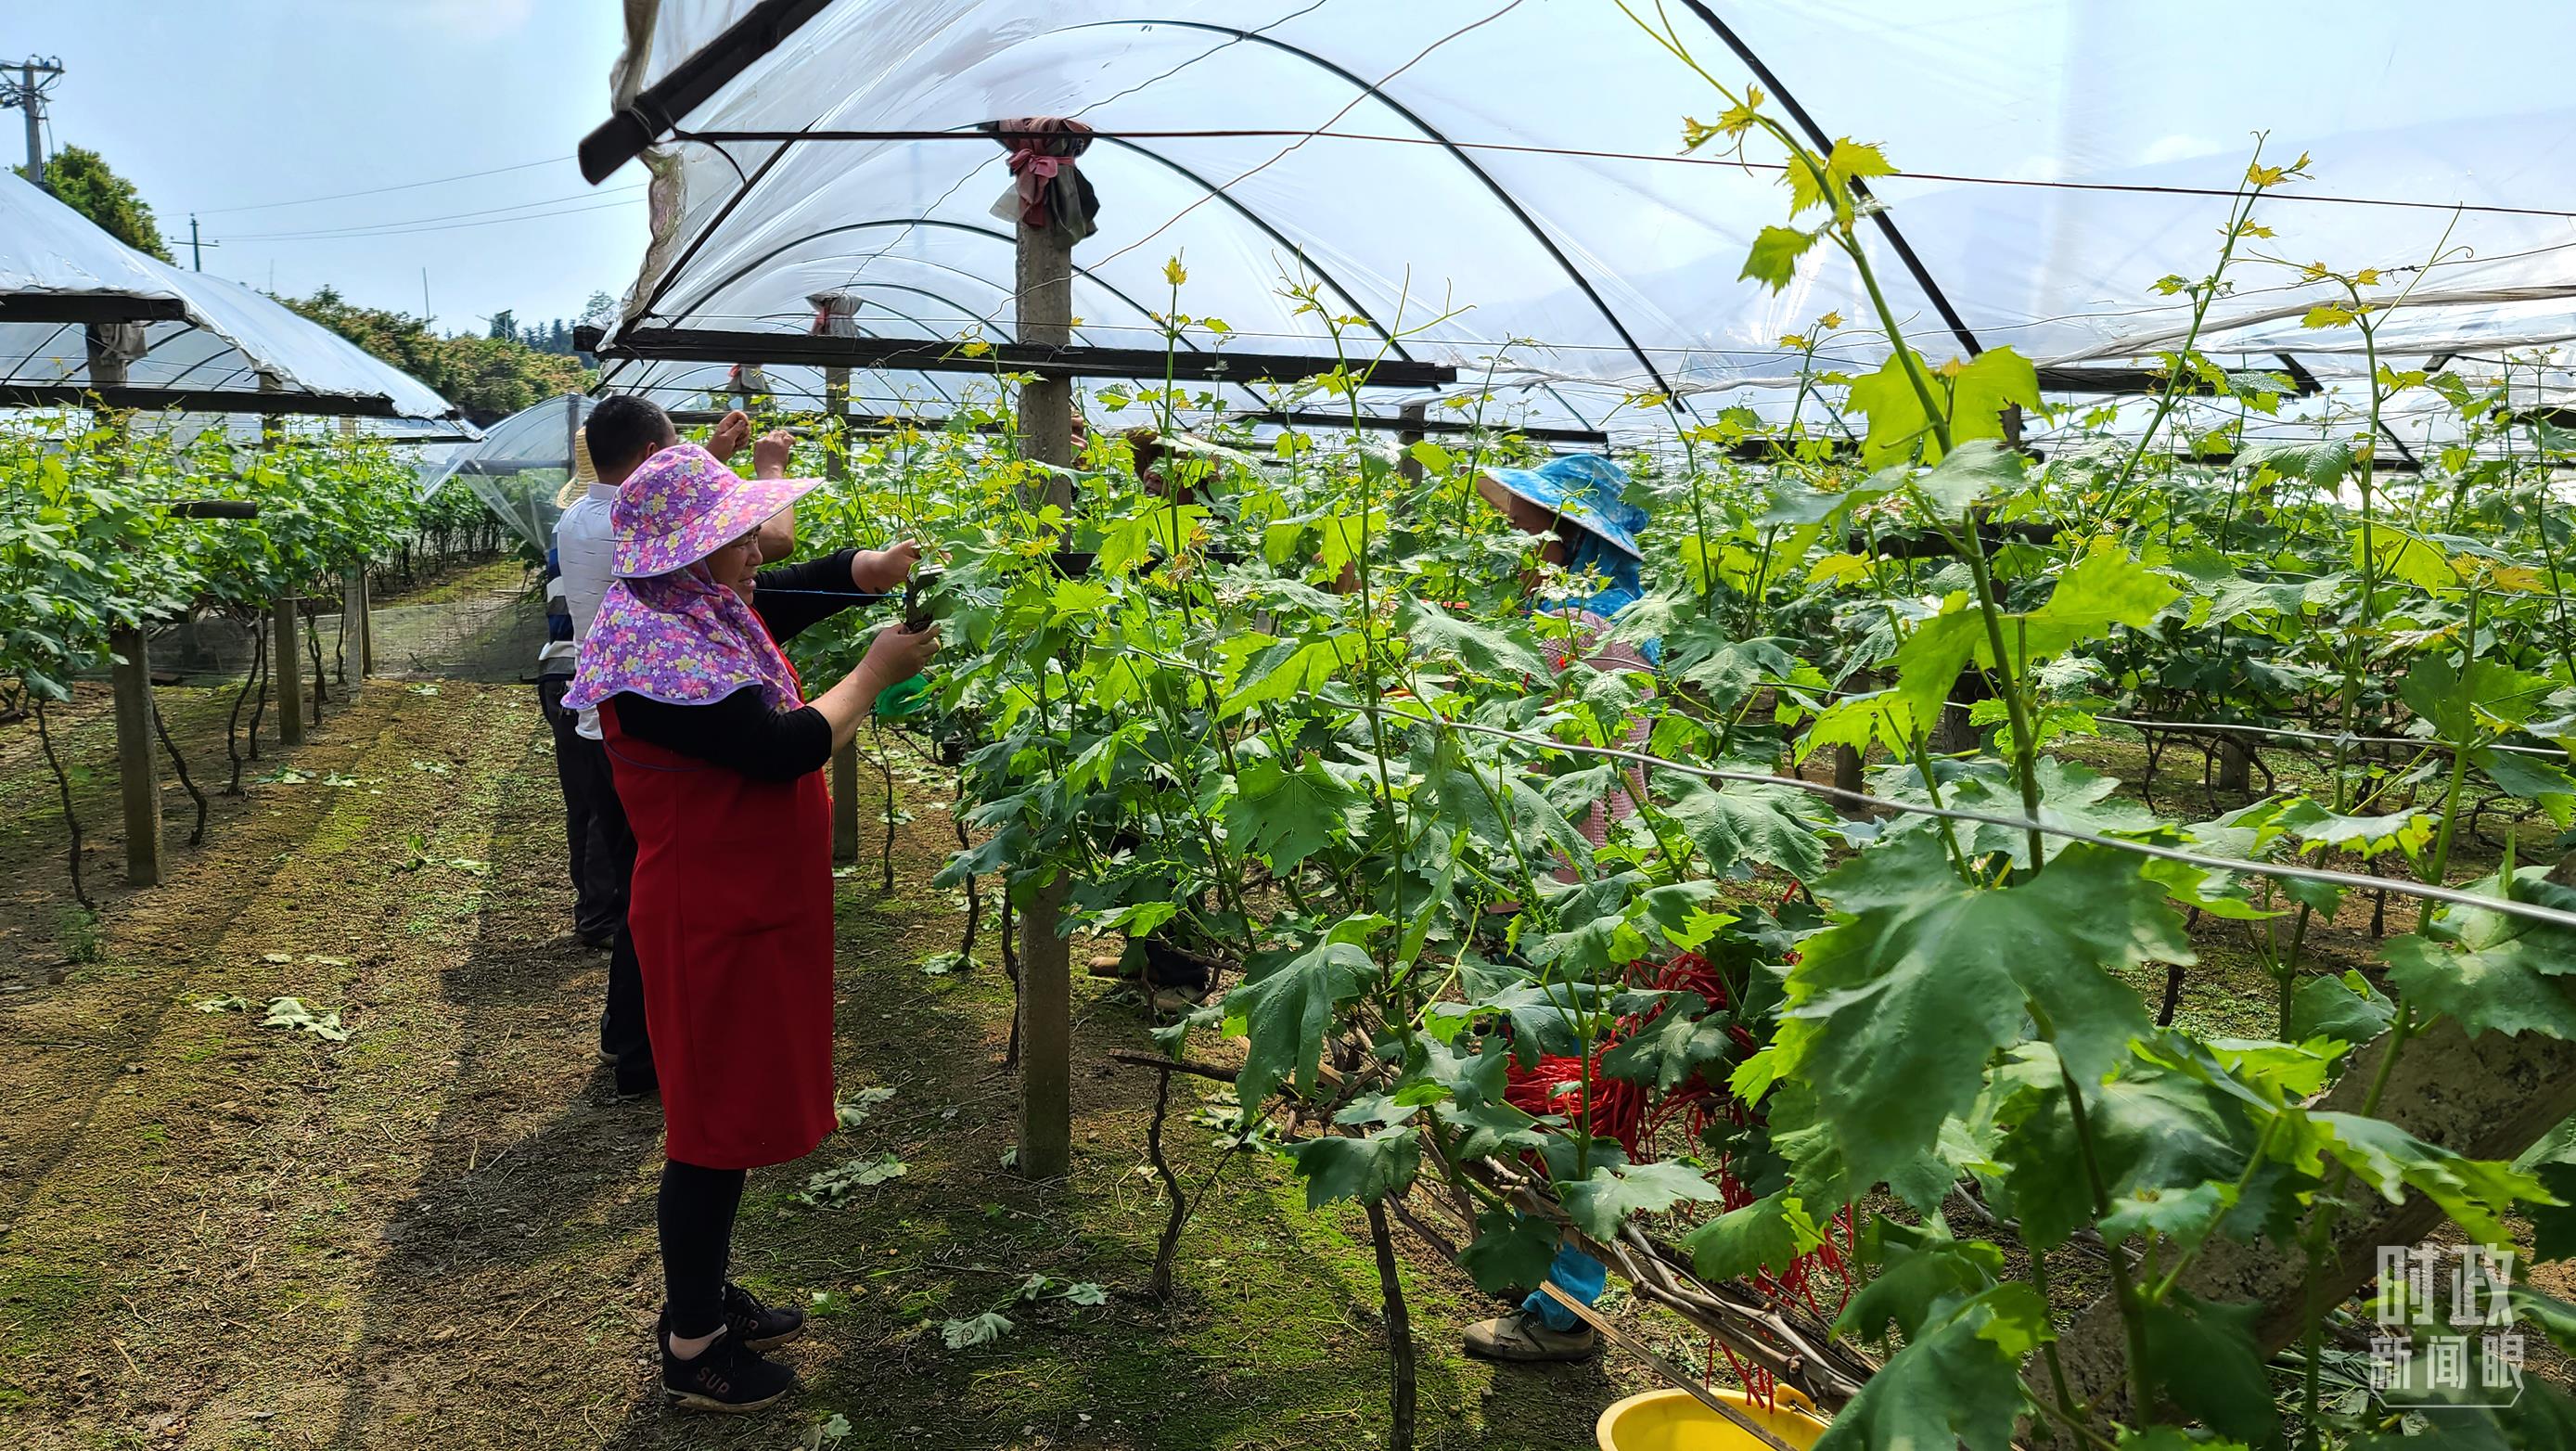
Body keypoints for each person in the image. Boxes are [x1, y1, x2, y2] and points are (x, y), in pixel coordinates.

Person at [562, 442, 934, 1413]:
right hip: (707, 918)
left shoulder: (689, 609)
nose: (756, 546)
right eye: (736, 533)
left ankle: (707, 1295)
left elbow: (793, 589)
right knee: (706, 1132)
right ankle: (693, 1347)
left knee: (721, 1117)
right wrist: (871, 674)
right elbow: (779, 749)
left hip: (738, 904)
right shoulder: (659, 661)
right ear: (693, 549)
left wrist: (872, 570)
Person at [1457, 453, 1657, 1366]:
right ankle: (1547, 1278)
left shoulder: (1572, 629)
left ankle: (1564, 1308)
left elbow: (1505, 756)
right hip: (1590, 886)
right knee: (1560, 1094)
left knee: (1558, 1103)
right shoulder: (1625, 622)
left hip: (1552, 891)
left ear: (1570, 532)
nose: (1520, 526)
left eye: (1536, 514)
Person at [557, 398, 788, 1095]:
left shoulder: (581, 516)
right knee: (655, 902)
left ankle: (631, 1042)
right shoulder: (626, 532)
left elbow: (690, 525)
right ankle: (638, 1052)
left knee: (638, 886)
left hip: (612, 721)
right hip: (646, 724)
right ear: (653, 458)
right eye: (676, 449)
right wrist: (766, 468)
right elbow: (761, 542)